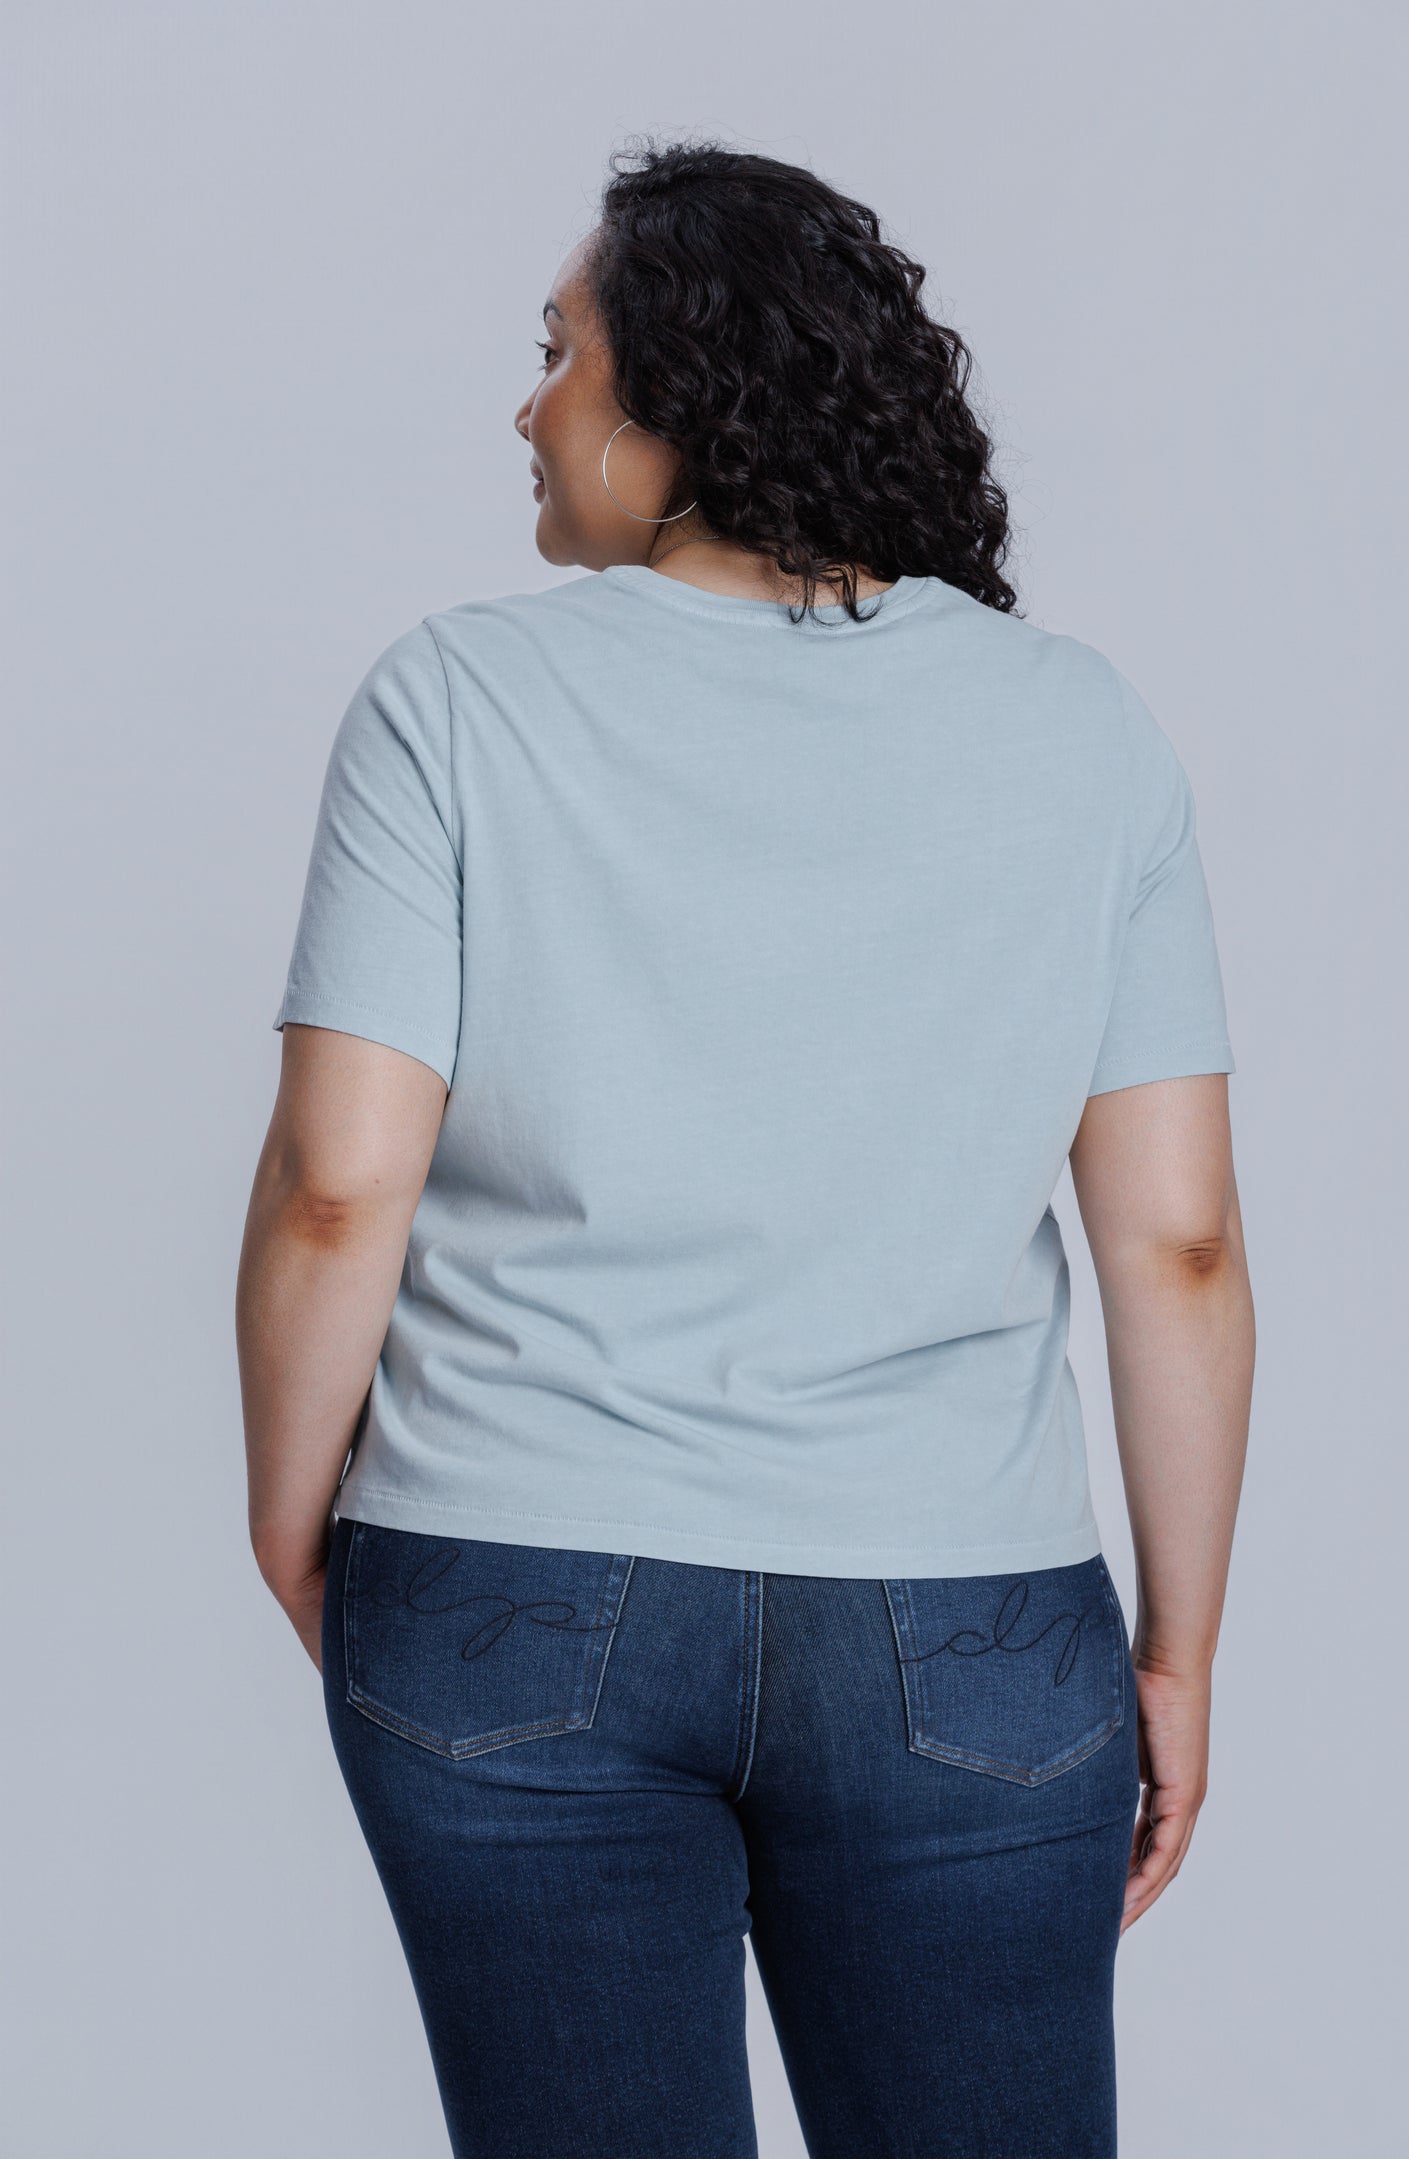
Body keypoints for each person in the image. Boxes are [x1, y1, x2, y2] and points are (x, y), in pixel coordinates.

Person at [236, 138, 1254, 2159]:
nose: (527, 403)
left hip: (508, 1571)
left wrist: (290, 1519)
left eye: (559, 354)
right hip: (964, 1624)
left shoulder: (457, 700)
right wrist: (1181, 1651)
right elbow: (1181, 1249)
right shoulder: (1082, 731)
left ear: (680, 402)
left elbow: (341, 1179)